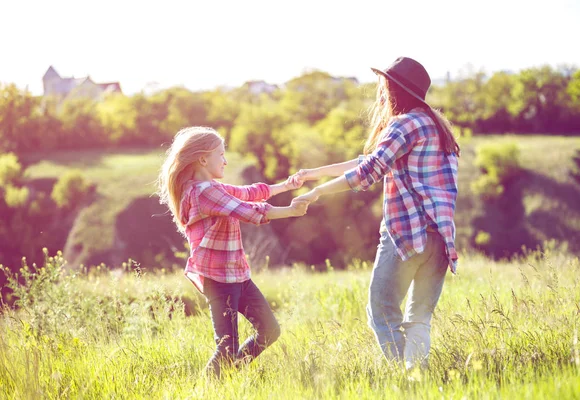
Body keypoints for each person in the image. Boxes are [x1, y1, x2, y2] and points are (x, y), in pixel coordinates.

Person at [291, 57, 460, 370]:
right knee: (419, 318)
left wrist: (317, 193)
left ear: (394, 89)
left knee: (381, 312)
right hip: (441, 237)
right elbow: (371, 159)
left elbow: (368, 171)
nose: (380, 92)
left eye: (384, 85)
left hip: (408, 232)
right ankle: (418, 379)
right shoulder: (436, 126)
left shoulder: (403, 123)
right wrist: (313, 173)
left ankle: (407, 382)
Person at [157, 126, 309, 378]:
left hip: (237, 275)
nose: (226, 160)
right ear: (203, 159)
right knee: (227, 348)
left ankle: (228, 378)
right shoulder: (203, 191)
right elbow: (247, 210)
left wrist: (285, 185)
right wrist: (290, 211)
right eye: (221, 154)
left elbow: (246, 193)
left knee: (269, 330)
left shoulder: (211, 187)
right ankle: (208, 389)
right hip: (218, 279)